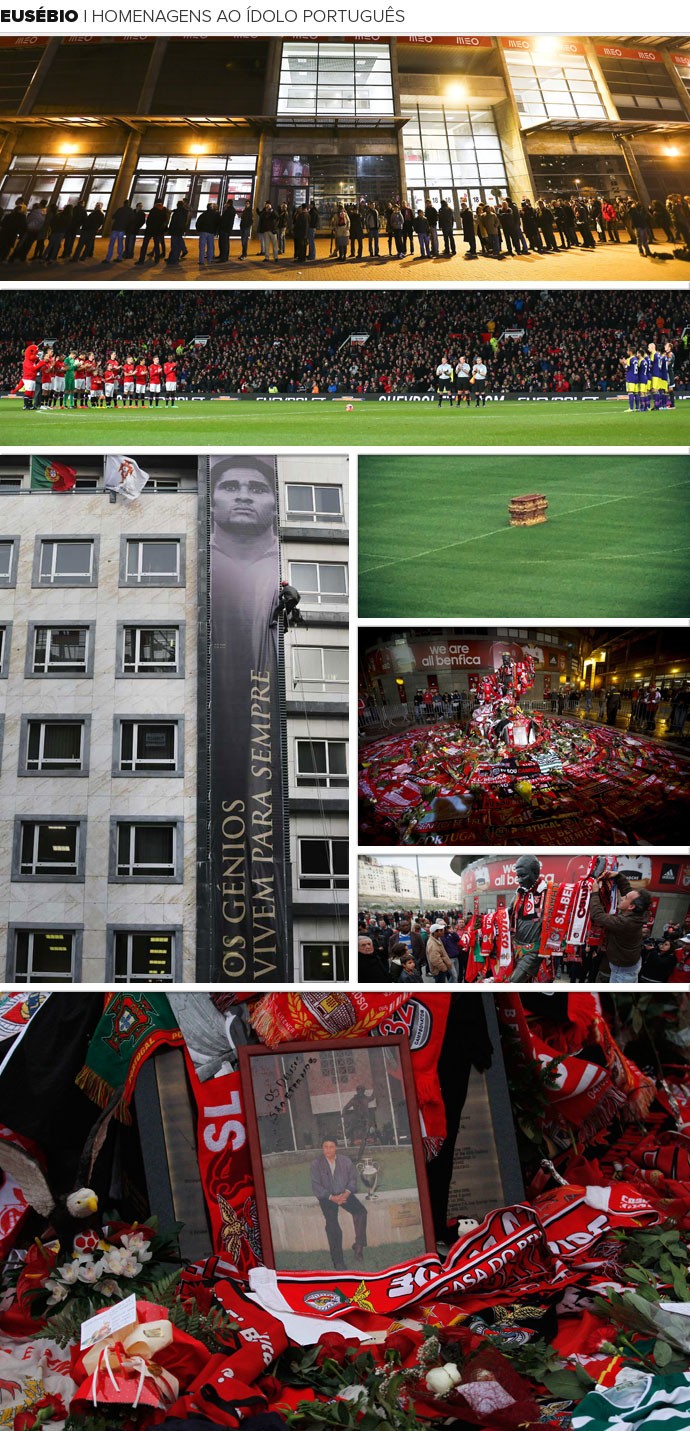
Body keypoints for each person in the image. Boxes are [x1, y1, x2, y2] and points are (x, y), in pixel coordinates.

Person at [311, 1139, 368, 1270]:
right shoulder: (316, 1164)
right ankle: (338, 1261)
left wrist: (346, 1194)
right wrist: (332, 1197)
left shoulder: (345, 1161)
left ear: (336, 1148)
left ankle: (358, 1245)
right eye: (325, 1147)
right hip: (327, 1197)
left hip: (344, 1194)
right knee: (332, 1226)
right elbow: (316, 1186)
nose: (328, 1149)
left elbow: (353, 1179)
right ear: (322, 1148)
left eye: (331, 1147)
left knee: (361, 1212)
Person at [589, 877, 651, 983]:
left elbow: (597, 915)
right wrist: (618, 876)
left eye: (625, 898)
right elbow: (628, 892)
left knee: (618, 997)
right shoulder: (638, 913)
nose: (622, 898)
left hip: (622, 972)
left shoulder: (625, 922)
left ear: (631, 906)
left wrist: (594, 893)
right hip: (629, 964)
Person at [508, 855, 549, 982]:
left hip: (534, 951)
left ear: (535, 872)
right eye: (518, 876)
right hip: (516, 949)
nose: (519, 880)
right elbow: (506, 913)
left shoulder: (550, 891)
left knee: (513, 983)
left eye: (523, 876)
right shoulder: (519, 893)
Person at [104, 198, 131, 263]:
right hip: (122, 229)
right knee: (120, 243)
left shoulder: (120, 209)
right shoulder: (130, 211)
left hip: (116, 228)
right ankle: (119, 257)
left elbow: (113, 217)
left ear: (124, 204)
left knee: (111, 243)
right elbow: (131, 220)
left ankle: (108, 258)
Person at [167, 200, 190, 266]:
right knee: (177, 244)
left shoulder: (177, 212)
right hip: (179, 231)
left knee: (174, 245)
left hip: (175, 231)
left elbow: (173, 222)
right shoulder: (184, 212)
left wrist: (170, 230)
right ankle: (173, 258)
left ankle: (173, 259)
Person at [196, 202, 218, 267]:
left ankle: (201, 261)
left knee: (202, 247)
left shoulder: (203, 214)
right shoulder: (215, 215)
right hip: (211, 232)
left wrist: (199, 230)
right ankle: (210, 259)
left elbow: (198, 223)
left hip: (203, 232)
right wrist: (215, 231)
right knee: (210, 246)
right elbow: (217, 224)